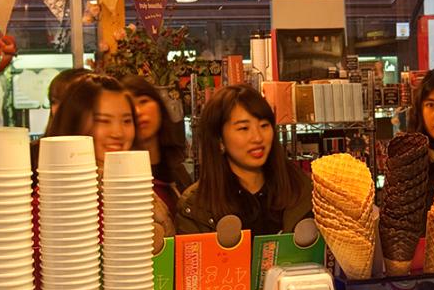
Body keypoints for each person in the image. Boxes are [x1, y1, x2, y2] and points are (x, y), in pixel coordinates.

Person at [174, 84, 313, 238]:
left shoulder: (301, 188)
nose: (258, 137)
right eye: (244, 128)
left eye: (264, 125)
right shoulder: (195, 206)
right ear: (219, 140)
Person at [48, 73, 173, 239]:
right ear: (75, 122)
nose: (118, 133)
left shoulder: (152, 190)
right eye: (103, 121)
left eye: (127, 121)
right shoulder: (52, 199)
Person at [123, 75, 192, 214]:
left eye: (143, 101)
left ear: (160, 106)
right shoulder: (123, 180)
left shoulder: (177, 170)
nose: (138, 111)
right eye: (129, 106)